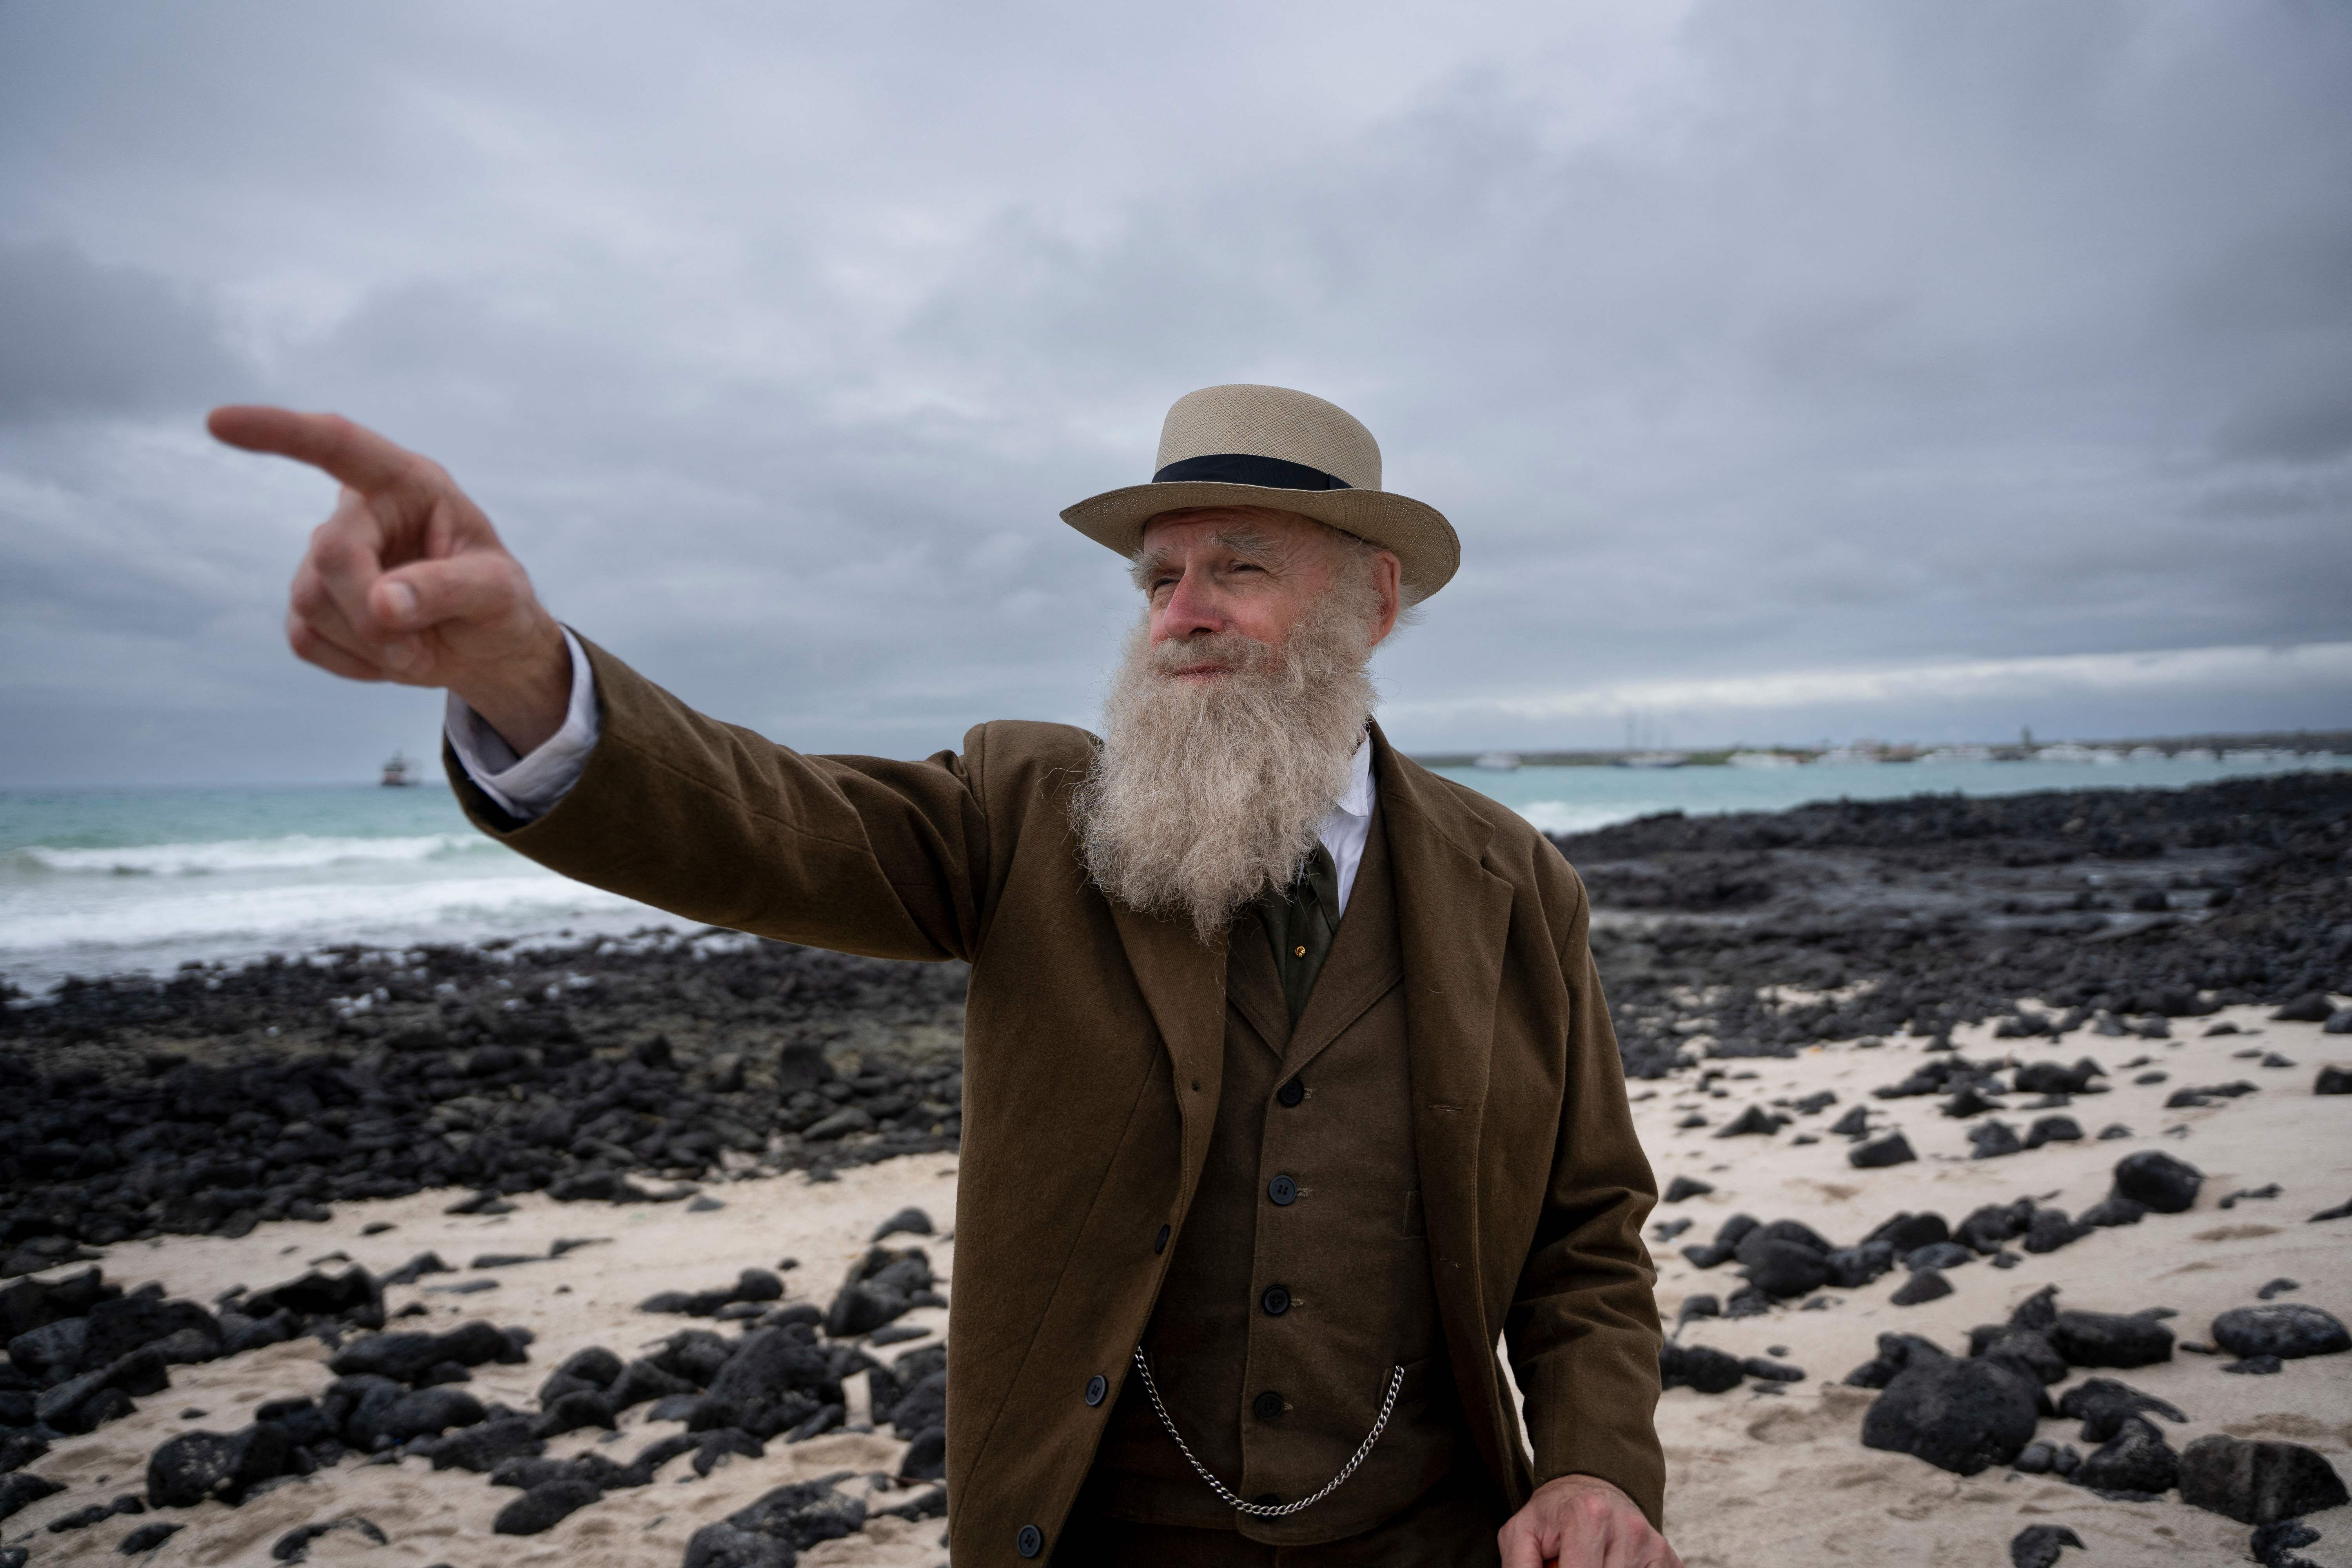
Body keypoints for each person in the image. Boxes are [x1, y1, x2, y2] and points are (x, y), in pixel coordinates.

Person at [211, 383, 1679, 1567]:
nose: (1183, 611)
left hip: (1425, 1537)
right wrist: (528, 674)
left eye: (1240, 567)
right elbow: (774, 826)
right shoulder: (1025, 807)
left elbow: (1587, 1228)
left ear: (1374, 599)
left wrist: (1598, 1467)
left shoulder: (1513, 880)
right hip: (1093, 1532)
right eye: (1161, 576)